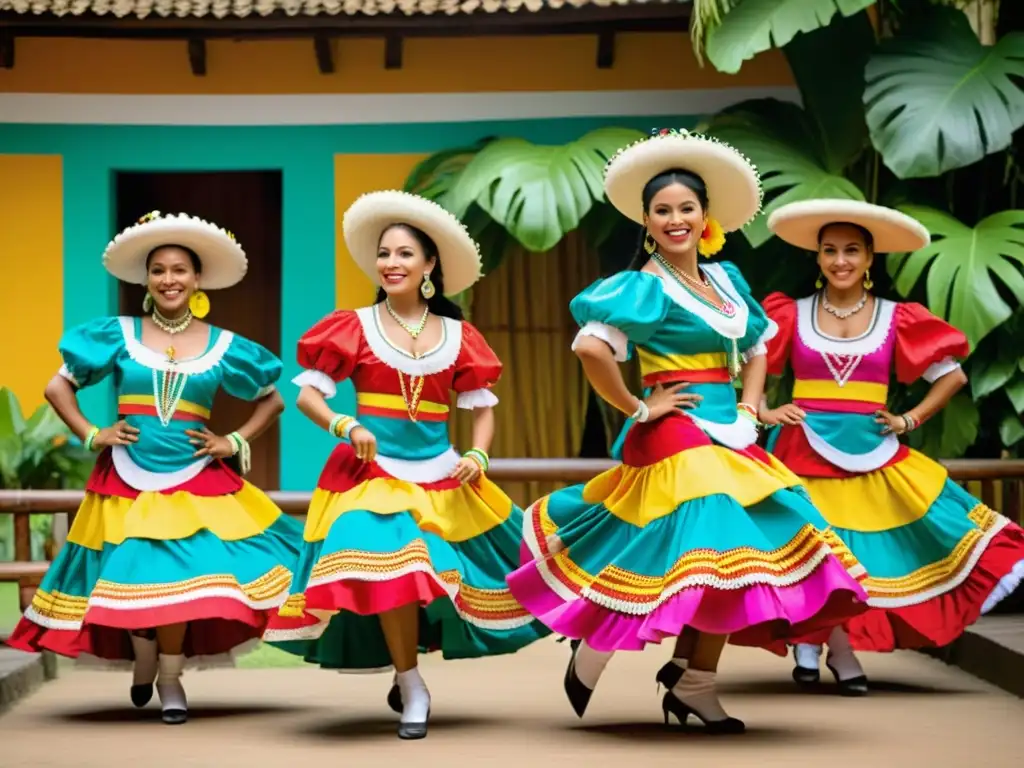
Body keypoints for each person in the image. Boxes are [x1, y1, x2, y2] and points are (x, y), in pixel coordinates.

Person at [505, 129, 869, 734]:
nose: (676, 219)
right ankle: (601, 638)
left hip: (730, 431)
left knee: (736, 555)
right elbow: (593, 348)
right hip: (675, 432)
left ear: (706, 218)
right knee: (712, 539)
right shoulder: (643, 284)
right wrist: (638, 406)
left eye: (686, 209)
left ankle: (694, 681)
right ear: (647, 221)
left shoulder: (725, 281)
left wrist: (752, 409)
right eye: (663, 211)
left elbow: (756, 346)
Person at [262, 190, 548, 740]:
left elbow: (482, 412)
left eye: (404, 254)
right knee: (395, 562)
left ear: (429, 265)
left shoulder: (460, 336)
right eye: (383, 254)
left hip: (441, 475)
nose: (390, 263)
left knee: (512, 559)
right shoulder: (353, 326)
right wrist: (348, 425)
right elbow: (309, 397)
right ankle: (411, 680)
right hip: (371, 474)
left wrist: (478, 454)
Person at [5, 211, 302, 724]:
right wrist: (91, 433)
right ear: (146, 279)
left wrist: (234, 439)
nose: (169, 279)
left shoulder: (226, 346)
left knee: (179, 579)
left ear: (197, 279)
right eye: (159, 270)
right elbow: (58, 387)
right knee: (134, 574)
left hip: (196, 480)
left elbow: (272, 401)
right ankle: (144, 657)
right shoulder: (116, 335)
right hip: (126, 478)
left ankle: (169, 675)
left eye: (180, 270)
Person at [760, 198, 1024, 694]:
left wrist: (910, 418)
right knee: (817, 550)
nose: (841, 260)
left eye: (852, 250)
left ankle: (822, 648)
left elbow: (951, 376)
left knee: (858, 551)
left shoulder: (897, 317)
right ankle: (833, 651)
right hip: (800, 451)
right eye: (831, 250)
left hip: (872, 450)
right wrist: (762, 410)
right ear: (817, 257)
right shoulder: (789, 314)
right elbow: (744, 363)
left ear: (869, 259)